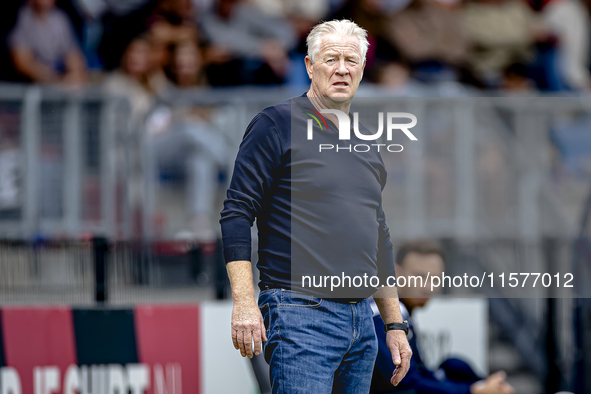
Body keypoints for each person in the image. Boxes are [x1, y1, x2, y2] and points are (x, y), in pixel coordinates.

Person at [220, 19, 412, 393]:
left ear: (362, 69)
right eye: (331, 59)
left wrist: (394, 325)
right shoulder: (275, 124)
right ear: (309, 66)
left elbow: (379, 239)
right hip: (300, 311)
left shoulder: (365, 143)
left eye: (351, 60)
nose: (342, 68)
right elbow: (236, 213)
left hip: (361, 320)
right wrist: (244, 303)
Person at [370, 240, 515, 394]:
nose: (427, 287)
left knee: (454, 366)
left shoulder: (403, 311)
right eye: (419, 276)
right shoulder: (383, 315)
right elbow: (406, 382)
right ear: (396, 274)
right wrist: (472, 391)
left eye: (435, 279)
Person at [8, 0, 86, 84]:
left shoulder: (60, 19)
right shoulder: (23, 17)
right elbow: (22, 62)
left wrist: (75, 74)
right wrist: (55, 79)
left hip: (56, 81)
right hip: (28, 84)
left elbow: (73, 55)